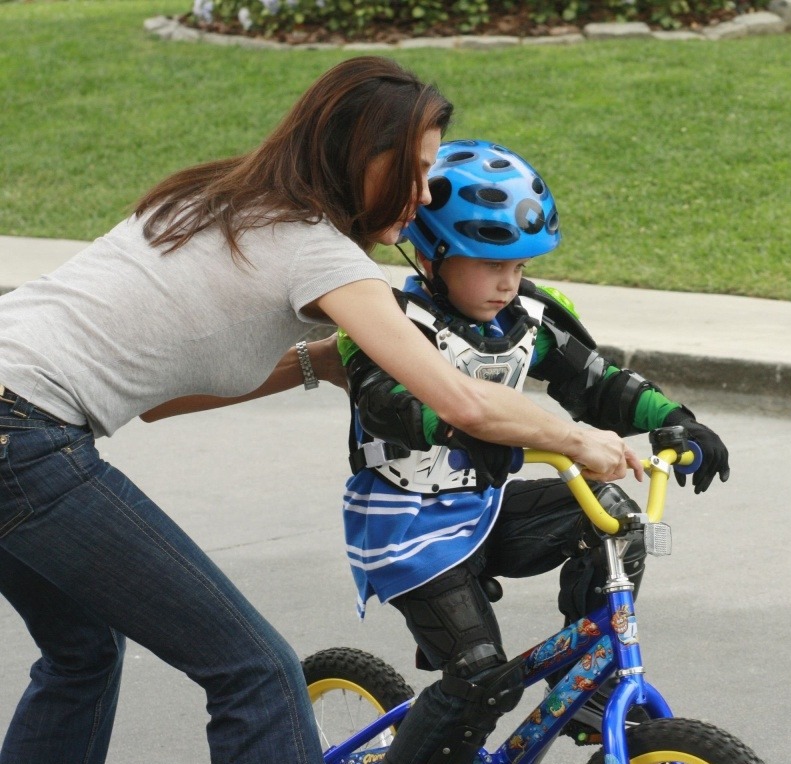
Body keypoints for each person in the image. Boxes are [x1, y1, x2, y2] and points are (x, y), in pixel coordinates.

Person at [0, 59, 634, 764]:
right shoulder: (314, 249)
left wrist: (321, 360)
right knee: (258, 674)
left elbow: (164, 398)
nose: (423, 195)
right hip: (20, 434)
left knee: (81, 652)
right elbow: (459, 401)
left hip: (15, 420)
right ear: (363, 157)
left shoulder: (216, 199)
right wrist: (577, 436)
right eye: (415, 170)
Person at [338, 139, 731, 764]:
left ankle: (588, 690)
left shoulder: (526, 319)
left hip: (485, 509)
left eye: (519, 266)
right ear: (435, 253)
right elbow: (388, 400)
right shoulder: (391, 319)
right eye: (490, 263)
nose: (508, 281)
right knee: (478, 679)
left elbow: (597, 382)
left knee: (615, 522)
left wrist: (677, 421)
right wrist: (460, 429)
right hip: (406, 525)